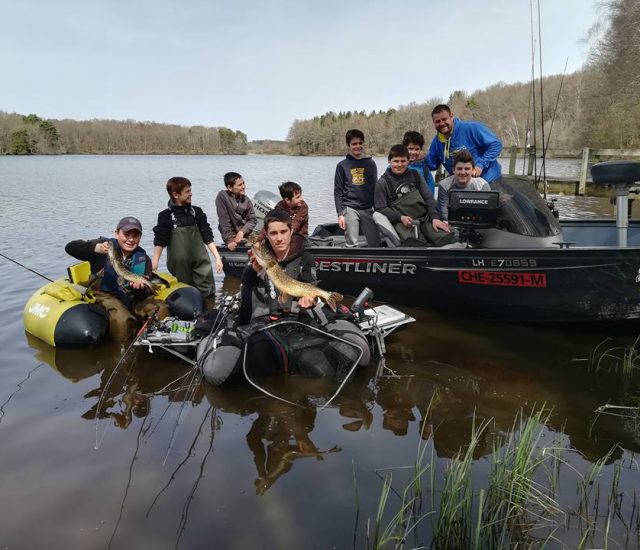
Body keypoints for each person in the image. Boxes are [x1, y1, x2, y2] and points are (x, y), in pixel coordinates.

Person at [198, 209, 370, 385]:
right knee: (258, 356)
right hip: (266, 321)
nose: (279, 238)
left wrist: (310, 302)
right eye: (273, 233)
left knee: (318, 367)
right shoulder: (263, 259)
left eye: (283, 232)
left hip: (297, 321)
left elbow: (310, 290)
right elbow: (247, 288)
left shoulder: (306, 258)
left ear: (291, 231)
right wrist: (252, 270)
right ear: (267, 235)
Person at [65, 216, 169, 341]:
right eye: (126, 234)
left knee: (161, 309)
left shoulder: (144, 259)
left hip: (133, 297)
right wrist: (96, 248)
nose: (130, 239)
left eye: (135, 235)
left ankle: (161, 342)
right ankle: (120, 351)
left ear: (140, 237)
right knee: (122, 320)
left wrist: (139, 289)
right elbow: (70, 247)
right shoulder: (103, 247)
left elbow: (144, 294)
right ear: (117, 233)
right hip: (106, 295)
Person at [152, 177, 223, 302]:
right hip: (179, 266)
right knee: (185, 294)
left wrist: (217, 258)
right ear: (175, 194)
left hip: (201, 262)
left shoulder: (197, 212)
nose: (191, 194)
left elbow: (207, 236)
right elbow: (160, 240)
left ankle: (209, 312)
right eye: (187, 191)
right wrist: (155, 262)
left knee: (207, 291)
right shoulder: (165, 216)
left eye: (190, 190)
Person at [373, 144, 455, 247]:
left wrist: (435, 218)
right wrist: (400, 217)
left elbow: (428, 198)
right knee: (414, 244)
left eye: (403, 161)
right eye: (396, 161)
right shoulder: (382, 183)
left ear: (408, 161)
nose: (399, 164)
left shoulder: (415, 175)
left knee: (447, 237)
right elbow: (381, 208)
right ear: (389, 161)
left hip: (425, 219)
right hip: (401, 222)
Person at [426, 104, 502, 182]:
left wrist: (480, 165)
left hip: (489, 181)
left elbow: (495, 145)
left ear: (452, 116)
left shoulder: (472, 128)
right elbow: (432, 165)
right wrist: (421, 157)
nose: (442, 123)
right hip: (462, 187)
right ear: (433, 123)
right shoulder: (437, 142)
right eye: (438, 121)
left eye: (444, 119)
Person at [333, 129, 381, 247]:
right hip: (349, 208)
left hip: (367, 208)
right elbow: (338, 192)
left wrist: (378, 210)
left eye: (360, 143)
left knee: (376, 243)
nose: (357, 146)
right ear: (348, 145)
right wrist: (340, 214)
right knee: (352, 242)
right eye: (354, 144)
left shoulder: (371, 164)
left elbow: (375, 188)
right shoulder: (342, 166)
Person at [438, 150, 491, 223]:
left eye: (467, 169)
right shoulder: (444, 185)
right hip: (452, 224)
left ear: (473, 170)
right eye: (459, 169)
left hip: (476, 224)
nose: (463, 172)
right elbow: (444, 214)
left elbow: (487, 214)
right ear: (453, 170)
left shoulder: (482, 185)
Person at [215, 171, 257, 251]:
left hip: (245, 234)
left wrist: (242, 232)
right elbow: (224, 221)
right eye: (240, 185)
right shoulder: (222, 197)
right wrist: (229, 241)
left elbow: (253, 220)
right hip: (230, 236)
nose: (244, 186)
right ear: (230, 188)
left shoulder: (246, 200)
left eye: (243, 183)